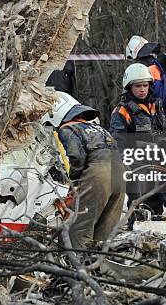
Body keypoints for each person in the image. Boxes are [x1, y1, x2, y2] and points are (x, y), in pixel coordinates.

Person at [43, 91, 125, 248]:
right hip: (119, 173)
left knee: (80, 229)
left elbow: (76, 157)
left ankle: (77, 267)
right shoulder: (98, 128)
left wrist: (74, 180)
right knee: (105, 232)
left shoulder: (67, 129)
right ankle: (101, 267)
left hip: (99, 173)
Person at [110, 63, 166, 218]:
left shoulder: (157, 105)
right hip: (139, 168)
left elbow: (165, 133)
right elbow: (118, 142)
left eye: (145, 85)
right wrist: (126, 166)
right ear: (129, 87)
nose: (142, 89)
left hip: (163, 164)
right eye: (138, 86)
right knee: (142, 210)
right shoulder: (122, 111)